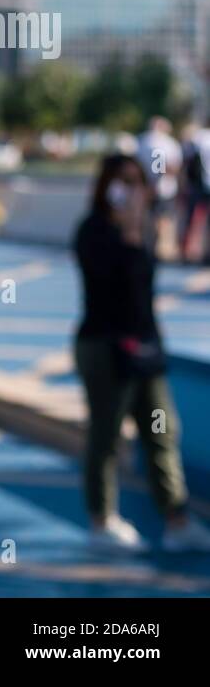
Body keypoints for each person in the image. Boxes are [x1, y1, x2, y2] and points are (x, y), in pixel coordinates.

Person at [73, 154, 210, 553]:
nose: (132, 189)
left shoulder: (143, 229)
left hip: (144, 350)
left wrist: (142, 230)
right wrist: (131, 234)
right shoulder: (93, 231)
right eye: (123, 181)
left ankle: (177, 519)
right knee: (106, 434)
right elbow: (114, 289)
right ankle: (102, 521)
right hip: (104, 347)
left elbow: (145, 292)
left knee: (161, 429)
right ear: (106, 186)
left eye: (137, 181)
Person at [136, 116, 182, 260]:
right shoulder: (165, 143)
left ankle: (150, 246)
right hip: (161, 188)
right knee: (162, 219)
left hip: (146, 187)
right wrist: (156, 182)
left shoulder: (142, 141)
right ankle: (158, 248)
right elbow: (161, 167)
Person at [180, 123, 209, 264]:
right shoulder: (200, 137)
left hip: (198, 184)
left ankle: (185, 252)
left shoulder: (198, 138)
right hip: (200, 184)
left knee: (190, 218)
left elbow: (186, 161)